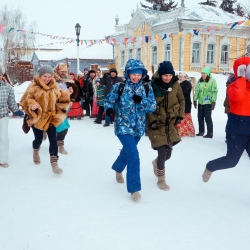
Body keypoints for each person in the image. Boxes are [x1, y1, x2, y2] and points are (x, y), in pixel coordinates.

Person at [104, 59, 156, 202]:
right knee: (133, 155)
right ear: (128, 73)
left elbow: (152, 107)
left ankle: (118, 167)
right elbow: (109, 100)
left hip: (138, 127)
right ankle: (134, 189)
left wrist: (142, 101)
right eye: (133, 74)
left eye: (139, 74)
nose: (136, 77)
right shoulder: (119, 87)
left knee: (127, 151)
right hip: (123, 126)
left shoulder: (146, 88)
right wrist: (108, 109)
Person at [202, 57, 250, 183]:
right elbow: (239, 97)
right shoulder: (233, 86)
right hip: (237, 130)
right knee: (231, 161)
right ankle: (210, 166)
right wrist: (241, 77)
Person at [19, 65, 72, 174]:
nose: (47, 79)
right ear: (40, 75)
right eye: (45, 76)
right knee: (38, 140)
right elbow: (25, 100)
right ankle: (35, 150)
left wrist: (67, 94)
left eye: (49, 76)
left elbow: (60, 98)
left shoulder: (54, 86)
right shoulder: (33, 86)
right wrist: (32, 105)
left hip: (50, 118)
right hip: (38, 118)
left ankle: (54, 164)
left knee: (53, 140)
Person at [147, 61, 185, 191]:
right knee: (163, 152)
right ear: (160, 74)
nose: (167, 77)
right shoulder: (152, 86)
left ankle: (156, 163)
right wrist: (151, 120)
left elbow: (181, 100)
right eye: (165, 75)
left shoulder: (175, 85)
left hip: (170, 123)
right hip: (157, 124)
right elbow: (148, 105)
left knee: (168, 154)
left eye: (170, 75)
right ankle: (161, 179)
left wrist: (180, 115)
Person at [0, 67, 24, 168]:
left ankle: (3, 159)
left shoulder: (7, 87)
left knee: (3, 137)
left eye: (0, 74)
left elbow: (11, 102)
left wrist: (16, 110)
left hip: (3, 115)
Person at [54, 63, 78, 154]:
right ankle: (54, 142)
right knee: (54, 124)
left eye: (65, 71)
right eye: (62, 71)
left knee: (63, 124)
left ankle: (60, 144)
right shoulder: (51, 79)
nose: (63, 73)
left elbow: (75, 89)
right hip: (53, 105)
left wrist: (72, 99)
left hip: (64, 105)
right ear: (57, 70)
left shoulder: (68, 80)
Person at [193, 67, 218, 138]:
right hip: (200, 102)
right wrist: (195, 100)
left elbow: (214, 92)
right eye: (202, 73)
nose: (203, 75)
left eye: (204, 73)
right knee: (200, 117)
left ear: (208, 74)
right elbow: (197, 90)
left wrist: (213, 101)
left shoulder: (212, 81)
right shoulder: (199, 81)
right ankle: (201, 131)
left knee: (207, 118)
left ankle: (210, 133)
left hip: (208, 102)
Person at [176, 72, 195, 137]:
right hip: (179, 103)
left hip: (186, 103)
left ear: (184, 77)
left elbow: (185, 93)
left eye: (181, 77)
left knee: (186, 117)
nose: (180, 78)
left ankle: (189, 131)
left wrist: (178, 94)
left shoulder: (188, 84)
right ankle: (181, 131)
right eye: (179, 77)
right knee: (180, 117)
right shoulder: (178, 84)